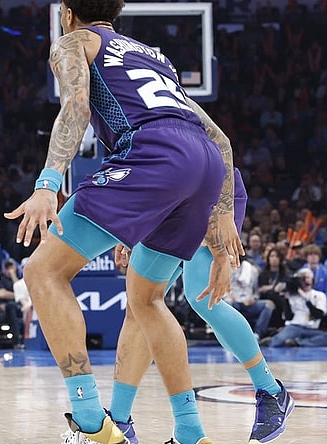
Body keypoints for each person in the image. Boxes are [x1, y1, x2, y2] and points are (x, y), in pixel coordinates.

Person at [5, 1, 240, 443]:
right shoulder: (153, 54)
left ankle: (92, 424)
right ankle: (190, 432)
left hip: (152, 155)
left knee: (42, 271)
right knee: (147, 300)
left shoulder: (74, 41)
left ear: (67, 12)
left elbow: (75, 107)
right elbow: (222, 141)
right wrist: (222, 215)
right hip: (205, 164)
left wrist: (47, 182)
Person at [111, 170, 294, 444]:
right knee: (139, 305)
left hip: (211, 189)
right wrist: (128, 227)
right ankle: (119, 420)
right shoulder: (116, 134)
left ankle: (271, 391)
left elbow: (219, 146)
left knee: (202, 296)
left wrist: (217, 227)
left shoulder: (164, 130)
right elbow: (138, 175)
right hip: (170, 199)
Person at [263, 268, 327, 347]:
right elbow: (288, 317)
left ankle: (298, 342)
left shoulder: (319, 295)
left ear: (312, 279)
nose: (304, 280)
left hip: (312, 329)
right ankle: (271, 340)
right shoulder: (292, 295)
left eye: (307, 277)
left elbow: (319, 315)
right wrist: (286, 300)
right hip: (294, 327)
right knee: (277, 343)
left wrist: (306, 299)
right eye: (302, 278)